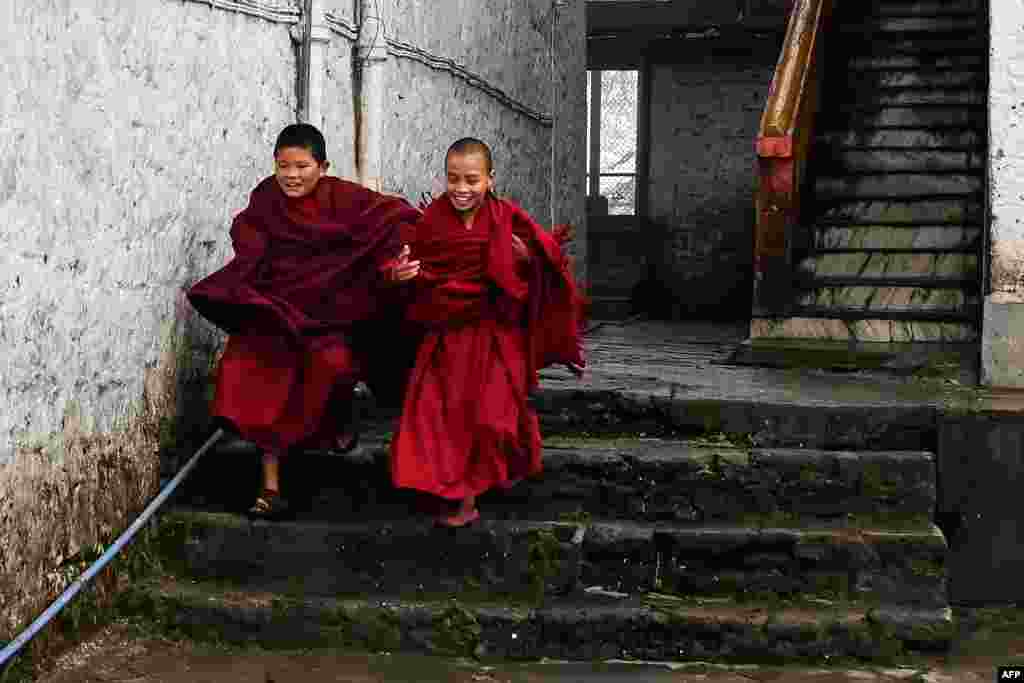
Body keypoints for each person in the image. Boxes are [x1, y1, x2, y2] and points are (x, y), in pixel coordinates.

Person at [187, 123, 421, 519]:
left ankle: (333, 423)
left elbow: (396, 218)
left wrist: (391, 267)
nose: (291, 176)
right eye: (283, 166)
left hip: (330, 315)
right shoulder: (266, 199)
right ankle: (271, 486)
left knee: (334, 366)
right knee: (257, 371)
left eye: (301, 166)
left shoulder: (343, 198)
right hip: (277, 313)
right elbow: (249, 237)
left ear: (323, 166)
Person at [390, 137, 585, 527]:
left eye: (472, 180)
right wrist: (398, 275)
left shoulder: (506, 217)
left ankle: (472, 488)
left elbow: (550, 259)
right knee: (442, 419)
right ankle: (461, 497)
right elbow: (410, 264)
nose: (462, 189)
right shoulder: (432, 222)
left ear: (490, 180)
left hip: (494, 334)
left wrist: (527, 258)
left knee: (490, 418)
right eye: (453, 179)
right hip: (446, 337)